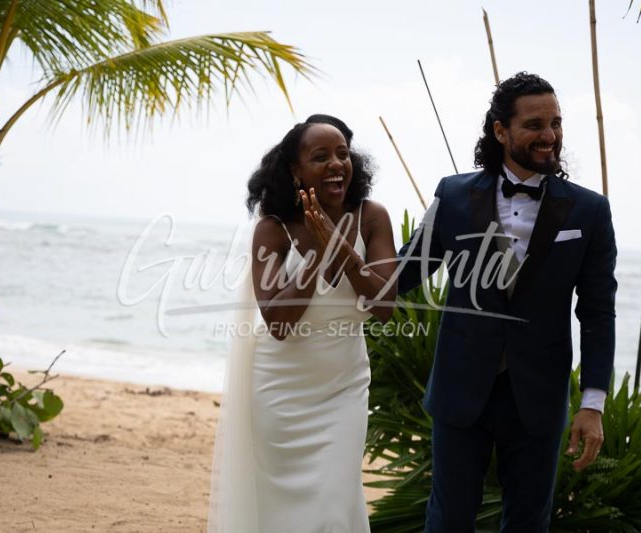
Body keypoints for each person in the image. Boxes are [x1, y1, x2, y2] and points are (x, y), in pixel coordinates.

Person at [396, 72, 617, 532]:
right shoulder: (453, 195)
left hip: (538, 395)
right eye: (535, 124)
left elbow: (597, 310)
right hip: (460, 389)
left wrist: (592, 402)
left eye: (555, 123)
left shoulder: (589, 211)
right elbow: (404, 274)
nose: (550, 136)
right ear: (501, 131)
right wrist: (333, 262)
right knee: (448, 520)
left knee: (528, 524)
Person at [208, 114, 397, 533]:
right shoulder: (273, 230)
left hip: (343, 390)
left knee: (333, 503)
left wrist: (341, 246)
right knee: (279, 513)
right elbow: (278, 323)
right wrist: (316, 251)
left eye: (343, 154)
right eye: (321, 156)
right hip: (279, 394)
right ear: (295, 170)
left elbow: (384, 306)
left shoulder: (372, 218)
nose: (336, 163)